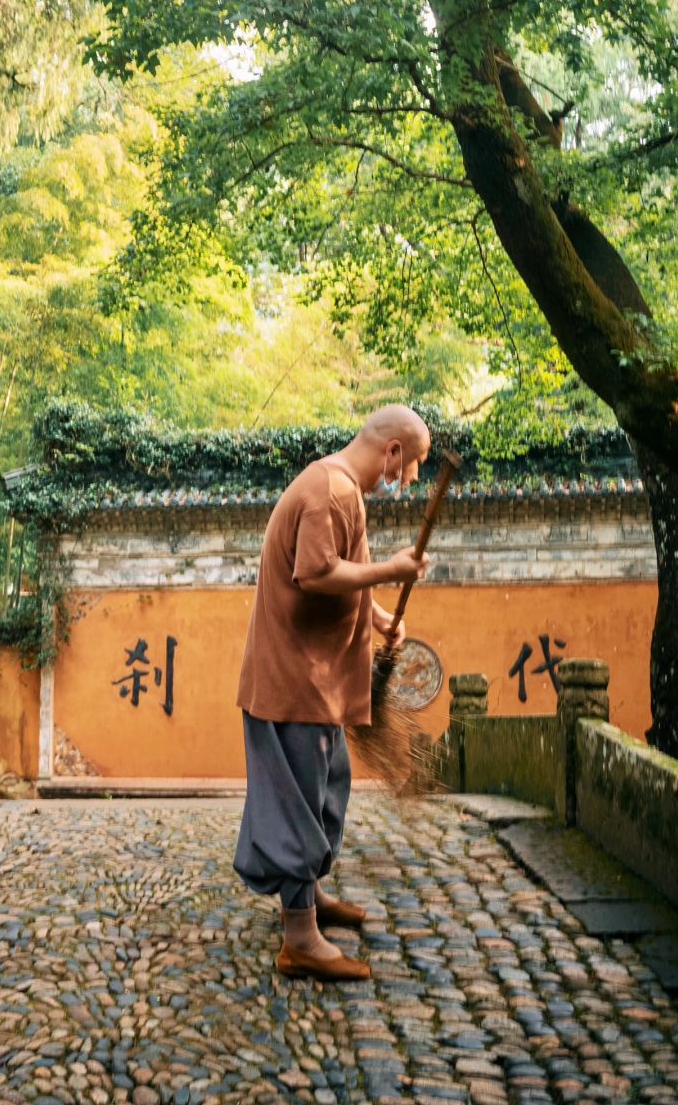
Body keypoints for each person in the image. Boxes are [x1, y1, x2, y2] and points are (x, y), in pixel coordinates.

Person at [233, 404, 432, 982]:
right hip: (295, 682)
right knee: (298, 805)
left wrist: (378, 619)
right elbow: (316, 574)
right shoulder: (329, 491)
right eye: (413, 463)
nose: (413, 477)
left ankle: (308, 897)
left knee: (324, 790)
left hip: (317, 683)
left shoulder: (342, 490)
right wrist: (391, 569)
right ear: (392, 451)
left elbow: (341, 577)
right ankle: (300, 939)